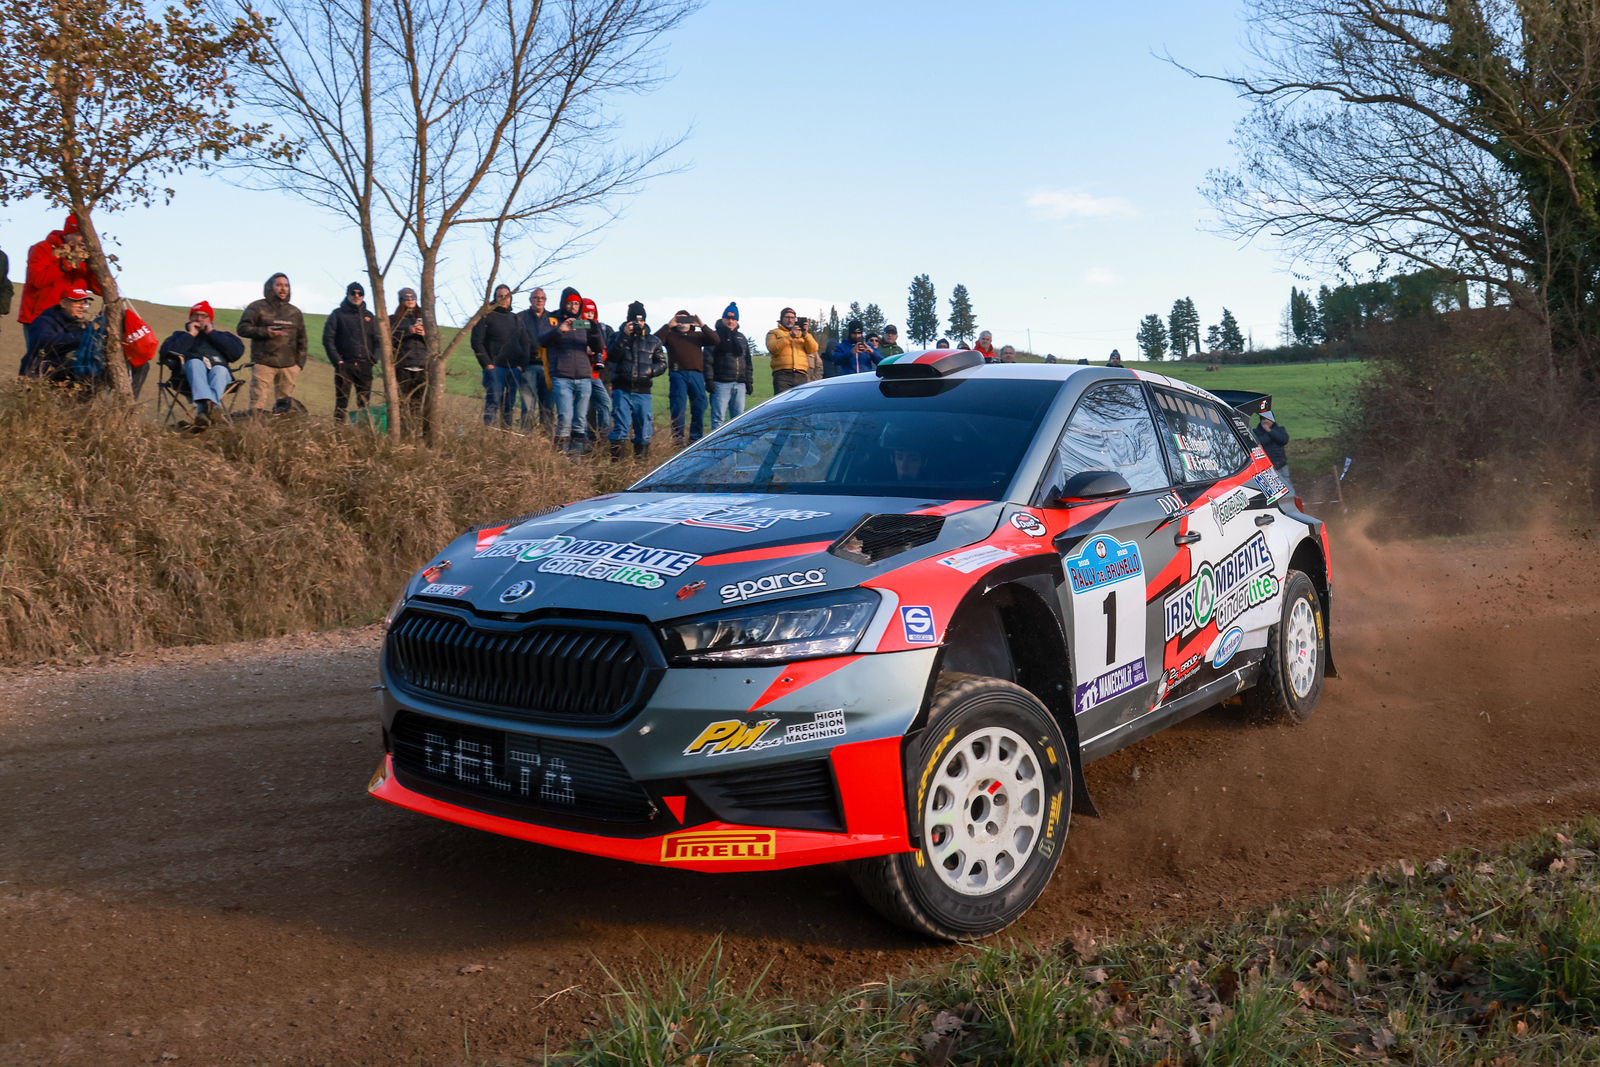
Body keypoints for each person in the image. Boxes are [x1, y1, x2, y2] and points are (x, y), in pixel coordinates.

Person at [18, 215, 101, 352]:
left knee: (70, 361)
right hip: (41, 318)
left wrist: (94, 267)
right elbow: (37, 280)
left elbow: (100, 290)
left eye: (87, 235)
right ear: (68, 234)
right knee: (40, 359)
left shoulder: (86, 257)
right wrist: (67, 263)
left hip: (72, 319)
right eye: (79, 234)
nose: (84, 239)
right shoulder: (43, 249)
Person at [158, 301, 245, 426]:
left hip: (220, 374)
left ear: (210, 320)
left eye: (204, 316)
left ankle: (203, 412)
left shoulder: (222, 336)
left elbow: (236, 352)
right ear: (190, 318)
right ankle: (211, 406)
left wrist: (212, 334)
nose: (199, 319)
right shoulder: (179, 336)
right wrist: (191, 335)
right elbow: (166, 354)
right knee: (195, 362)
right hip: (186, 378)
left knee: (219, 369)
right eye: (195, 315)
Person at [538, 286, 604, 451]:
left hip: (583, 376)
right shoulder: (553, 320)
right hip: (561, 375)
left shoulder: (584, 324)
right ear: (563, 303)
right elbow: (542, 340)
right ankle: (561, 456)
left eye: (576, 303)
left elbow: (598, 348)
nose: (573, 307)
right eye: (569, 303)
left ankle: (576, 457)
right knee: (565, 418)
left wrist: (594, 331)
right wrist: (560, 330)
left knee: (580, 420)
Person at [238, 273, 308, 411]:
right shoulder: (257, 307)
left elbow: (302, 339)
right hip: (264, 363)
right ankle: (255, 425)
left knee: (285, 408)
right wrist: (265, 332)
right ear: (270, 287)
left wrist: (299, 364)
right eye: (279, 285)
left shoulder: (295, 312)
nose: (283, 288)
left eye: (286, 285)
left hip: (288, 366)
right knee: (257, 404)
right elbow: (242, 329)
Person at [607, 300, 667, 459]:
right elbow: (612, 356)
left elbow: (662, 364)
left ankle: (640, 464)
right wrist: (624, 336)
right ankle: (617, 464)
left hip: (643, 390)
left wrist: (649, 371)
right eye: (634, 320)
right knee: (620, 428)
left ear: (645, 321)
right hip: (621, 389)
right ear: (628, 321)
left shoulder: (654, 340)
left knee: (644, 429)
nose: (638, 324)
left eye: (641, 320)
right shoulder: (616, 337)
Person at [470, 284, 530, 427]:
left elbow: (526, 343)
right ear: (495, 298)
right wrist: (487, 365)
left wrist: (521, 366)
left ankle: (505, 435)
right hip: (494, 369)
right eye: (500, 296)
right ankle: (489, 434)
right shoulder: (486, 316)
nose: (504, 299)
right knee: (493, 403)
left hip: (514, 370)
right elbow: (476, 341)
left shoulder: (516, 319)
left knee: (509, 406)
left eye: (506, 296)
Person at [322, 281, 381, 421]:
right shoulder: (337, 314)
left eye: (360, 293)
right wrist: (338, 361)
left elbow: (378, 341)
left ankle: (362, 430)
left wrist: (373, 359)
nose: (356, 296)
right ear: (347, 294)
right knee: (341, 403)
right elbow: (328, 339)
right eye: (353, 293)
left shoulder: (370, 316)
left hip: (365, 366)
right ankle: (339, 431)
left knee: (364, 404)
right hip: (345, 365)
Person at [657, 309, 716, 445]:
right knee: (678, 407)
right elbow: (655, 341)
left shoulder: (697, 336)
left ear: (691, 322)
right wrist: (668, 326)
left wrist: (702, 325)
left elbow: (715, 340)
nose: (682, 322)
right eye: (679, 319)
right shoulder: (670, 335)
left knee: (699, 405)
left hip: (697, 374)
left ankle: (695, 438)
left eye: (685, 319)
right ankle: (678, 438)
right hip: (678, 374)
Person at [19, 288, 94, 380]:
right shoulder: (44, 321)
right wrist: (84, 337)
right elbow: (45, 343)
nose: (82, 307)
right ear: (63, 303)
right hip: (40, 375)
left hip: (67, 376)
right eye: (77, 302)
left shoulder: (85, 325)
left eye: (85, 303)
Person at [515, 287, 556, 432]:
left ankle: (548, 435)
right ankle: (527, 437)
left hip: (548, 367)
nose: (539, 300)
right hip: (528, 366)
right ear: (530, 300)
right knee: (528, 406)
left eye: (542, 298)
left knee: (548, 406)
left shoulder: (552, 319)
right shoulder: (520, 317)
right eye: (536, 297)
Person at [708, 302, 752, 431]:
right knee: (718, 419)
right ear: (723, 319)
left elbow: (748, 361)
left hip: (740, 384)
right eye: (728, 318)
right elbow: (707, 360)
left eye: (733, 319)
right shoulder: (714, 336)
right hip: (721, 384)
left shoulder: (741, 338)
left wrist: (749, 381)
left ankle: (736, 443)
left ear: (737, 321)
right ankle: (716, 443)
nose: (730, 322)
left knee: (738, 420)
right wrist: (709, 379)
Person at [389, 288, 428, 433]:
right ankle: (402, 433)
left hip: (422, 366)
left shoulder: (426, 318)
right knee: (401, 403)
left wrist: (425, 334)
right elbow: (389, 340)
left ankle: (415, 433)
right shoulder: (394, 319)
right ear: (401, 300)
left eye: (413, 297)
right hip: (402, 366)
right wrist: (408, 331)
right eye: (407, 298)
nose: (410, 300)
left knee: (417, 404)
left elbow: (435, 343)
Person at [765, 308, 819, 394]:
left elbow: (813, 349)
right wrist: (790, 336)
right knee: (783, 400)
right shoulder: (774, 333)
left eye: (792, 318)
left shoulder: (803, 335)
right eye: (787, 317)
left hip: (801, 374)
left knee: (800, 401)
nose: (790, 320)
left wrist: (806, 334)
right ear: (781, 319)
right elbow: (773, 348)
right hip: (782, 374)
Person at [581, 297, 613, 443]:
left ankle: (604, 437)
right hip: (581, 375)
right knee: (584, 411)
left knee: (605, 404)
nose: (589, 315)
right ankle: (586, 440)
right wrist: (584, 351)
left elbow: (607, 351)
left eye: (592, 313)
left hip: (596, 375)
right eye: (586, 312)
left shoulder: (602, 329)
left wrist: (597, 352)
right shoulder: (575, 328)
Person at [1254, 409, 1293, 494]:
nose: (1266, 421)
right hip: (1265, 468)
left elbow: (1284, 440)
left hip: (1281, 465)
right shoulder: (1255, 432)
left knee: (1288, 489)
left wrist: (1269, 431)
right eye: (1263, 419)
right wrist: (1272, 434)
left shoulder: (1280, 429)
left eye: (1268, 419)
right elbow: (1259, 443)